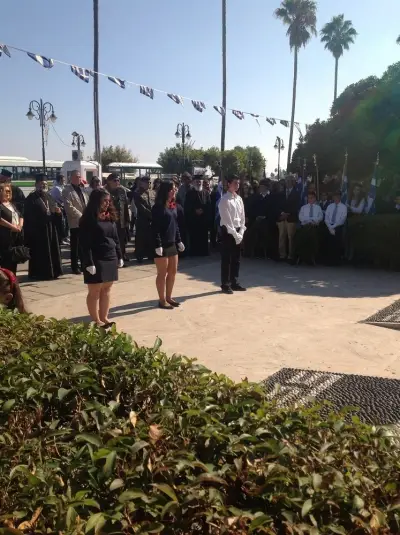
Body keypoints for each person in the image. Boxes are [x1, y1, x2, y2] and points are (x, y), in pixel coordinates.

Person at [79, 189, 123, 327]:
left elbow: (115, 238)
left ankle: (104, 317)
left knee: (107, 289)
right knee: (95, 291)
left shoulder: (110, 216)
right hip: (96, 257)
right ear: (96, 201)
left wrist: (119, 255)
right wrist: (88, 262)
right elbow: (84, 243)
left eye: (108, 201)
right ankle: (96, 320)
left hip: (110, 256)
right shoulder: (88, 219)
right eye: (104, 200)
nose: (107, 203)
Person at [151, 181, 185, 309]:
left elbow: (175, 225)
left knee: (172, 272)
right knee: (162, 273)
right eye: (172, 189)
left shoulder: (173, 205)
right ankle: (161, 300)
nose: (174, 191)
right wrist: (158, 244)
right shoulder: (158, 207)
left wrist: (179, 240)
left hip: (172, 243)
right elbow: (155, 228)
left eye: (175, 189)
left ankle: (169, 297)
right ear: (165, 191)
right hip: (161, 245)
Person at [24, 174, 63, 280]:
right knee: (40, 252)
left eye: (45, 184)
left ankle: (53, 272)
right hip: (38, 230)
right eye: (41, 184)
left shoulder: (49, 196)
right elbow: (28, 216)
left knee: (52, 250)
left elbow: (54, 210)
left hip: (50, 228)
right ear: (36, 184)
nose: (43, 185)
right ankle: (40, 273)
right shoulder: (31, 198)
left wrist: (58, 212)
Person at [218, 175, 246, 294]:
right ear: (228, 184)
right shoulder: (224, 200)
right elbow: (227, 220)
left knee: (236, 258)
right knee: (227, 258)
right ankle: (225, 284)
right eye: (235, 183)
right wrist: (235, 234)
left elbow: (242, 216)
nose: (237, 185)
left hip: (238, 230)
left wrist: (241, 232)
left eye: (238, 183)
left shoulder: (239, 199)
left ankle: (234, 281)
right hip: (228, 231)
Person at [63, 170, 89, 274]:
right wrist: (81, 216)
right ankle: (75, 266)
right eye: (77, 177)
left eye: (79, 176)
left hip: (85, 221)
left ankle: (83, 264)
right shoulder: (67, 190)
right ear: (71, 178)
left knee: (83, 245)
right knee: (75, 245)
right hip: (75, 222)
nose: (79, 178)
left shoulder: (82, 189)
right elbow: (69, 207)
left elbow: (86, 203)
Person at [184, 175, 212, 256]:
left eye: (200, 181)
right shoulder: (189, 193)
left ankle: (204, 252)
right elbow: (187, 206)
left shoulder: (206, 193)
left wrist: (203, 210)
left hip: (203, 219)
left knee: (203, 236)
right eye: (197, 182)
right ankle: (194, 252)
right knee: (194, 236)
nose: (198, 183)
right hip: (193, 220)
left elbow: (209, 205)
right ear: (193, 183)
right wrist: (194, 211)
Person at [105, 173, 130, 263]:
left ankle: (122, 256)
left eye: (118, 180)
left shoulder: (122, 190)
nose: (117, 182)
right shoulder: (104, 191)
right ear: (109, 181)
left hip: (121, 219)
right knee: (111, 240)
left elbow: (125, 205)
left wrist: (127, 219)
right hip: (110, 219)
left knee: (121, 239)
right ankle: (113, 257)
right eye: (115, 180)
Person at [276, 175, 301, 263]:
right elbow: (278, 205)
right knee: (281, 236)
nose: (287, 183)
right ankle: (282, 255)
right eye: (286, 181)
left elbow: (296, 206)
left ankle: (291, 256)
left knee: (291, 237)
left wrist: (288, 214)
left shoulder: (296, 193)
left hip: (291, 218)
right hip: (282, 218)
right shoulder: (281, 193)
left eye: (289, 181)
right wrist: (282, 213)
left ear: (293, 182)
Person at [0, 183, 24, 273]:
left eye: (9, 191)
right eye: (6, 191)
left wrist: (20, 226)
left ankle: (13, 279)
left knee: (14, 260)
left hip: (15, 237)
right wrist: (12, 227)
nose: (8, 193)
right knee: (6, 262)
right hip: (4, 238)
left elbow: (20, 215)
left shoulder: (11, 204)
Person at [297, 190, 323, 264]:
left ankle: (312, 256)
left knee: (313, 236)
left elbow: (320, 217)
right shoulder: (303, 207)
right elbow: (300, 217)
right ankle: (302, 256)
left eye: (311, 198)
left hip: (314, 227)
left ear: (314, 198)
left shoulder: (318, 208)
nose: (310, 199)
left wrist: (313, 221)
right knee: (302, 236)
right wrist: (308, 220)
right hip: (305, 226)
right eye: (309, 198)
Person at [322, 191, 348, 265]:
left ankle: (336, 260)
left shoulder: (343, 207)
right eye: (335, 196)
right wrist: (330, 227)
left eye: (338, 196)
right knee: (326, 238)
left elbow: (342, 219)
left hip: (338, 226)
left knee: (336, 240)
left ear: (340, 197)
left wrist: (333, 227)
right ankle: (327, 260)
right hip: (328, 226)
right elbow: (326, 217)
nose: (336, 198)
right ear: (333, 197)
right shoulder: (330, 206)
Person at [133, 175, 154, 262]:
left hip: (151, 220)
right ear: (141, 183)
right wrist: (152, 215)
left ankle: (150, 255)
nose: (148, 184)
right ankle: (139, 256)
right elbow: (141, 207)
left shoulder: (151, 192)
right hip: (142, 219)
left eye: (149, 182)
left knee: (150, 238)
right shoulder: (137, 193)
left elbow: (153, 204)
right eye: (146, 182)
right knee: (140, 239)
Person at [50, 173, 68, 245]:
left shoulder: (60, 187)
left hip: (62, 207)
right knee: (62, 225)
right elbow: (63, 198)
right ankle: (61, 239)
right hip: (59, 208)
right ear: (60, 180)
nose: (64, 181)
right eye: (63, 180)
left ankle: (64, 237)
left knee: (64, 224)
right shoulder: (57, 189)